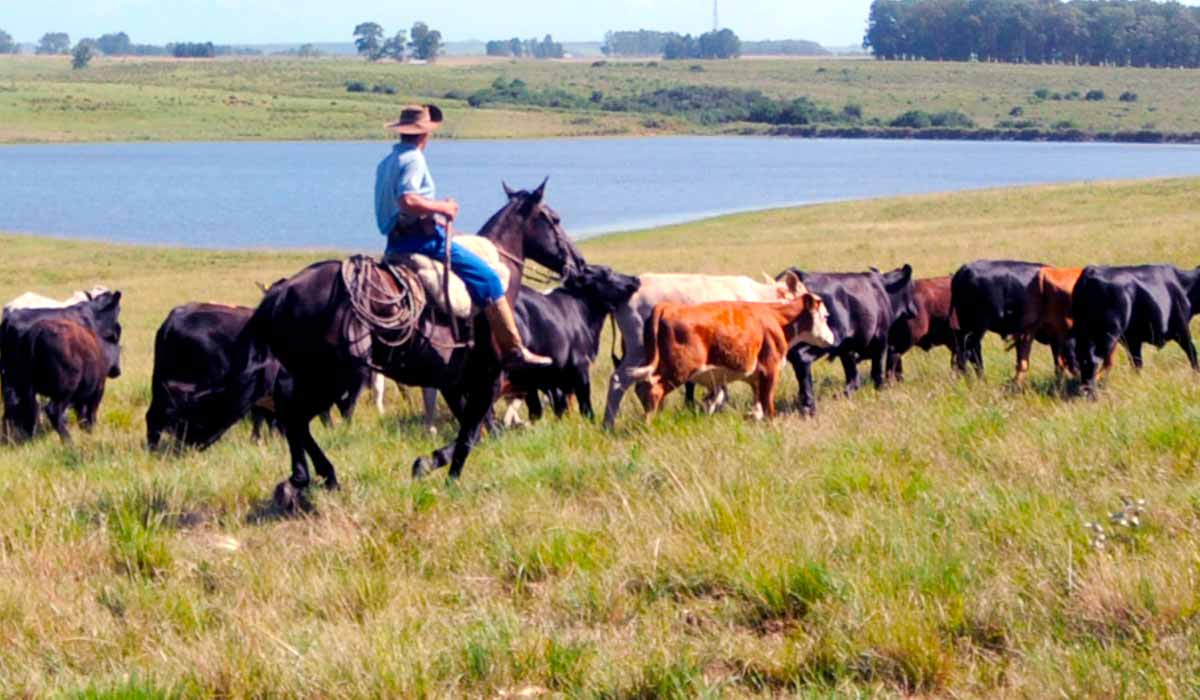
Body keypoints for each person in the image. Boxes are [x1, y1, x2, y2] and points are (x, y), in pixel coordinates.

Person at [375, 104, 551, 367]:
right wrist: (443, 207)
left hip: (394, 243)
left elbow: (397, 207)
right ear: (425, 134)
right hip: (422, 242)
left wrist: (432, 215)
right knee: (489, 278)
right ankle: (514, 349)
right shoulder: (413, 158)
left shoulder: (387, 161)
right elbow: (407, 200)